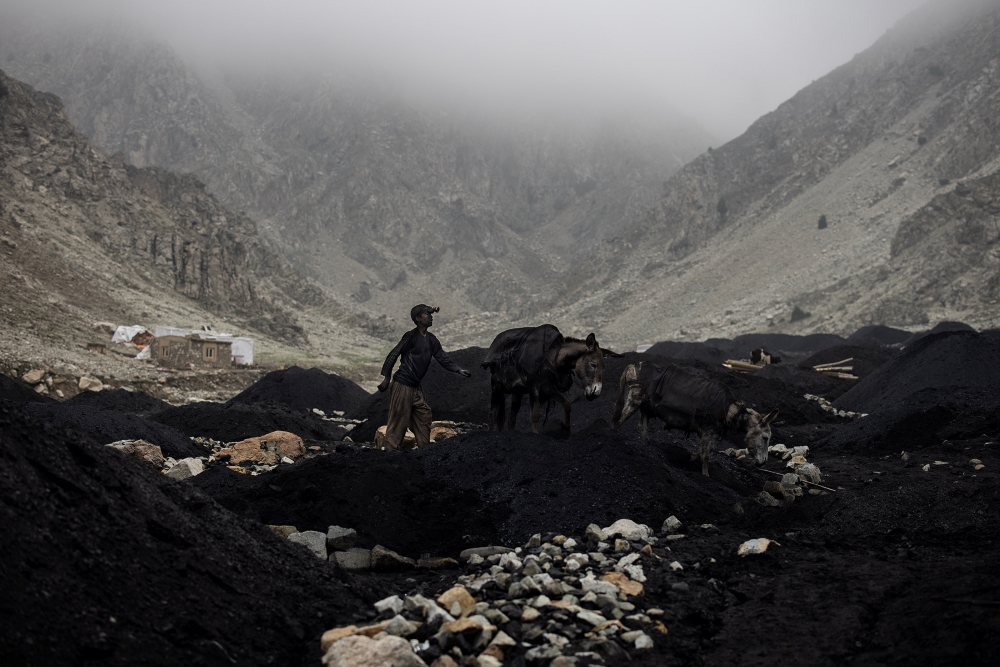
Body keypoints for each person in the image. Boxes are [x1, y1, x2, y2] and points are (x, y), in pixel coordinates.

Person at [377, 304, 471, 450]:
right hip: (402, 384)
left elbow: (442, 358)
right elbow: (393, 355)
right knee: (399, 420)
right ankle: (390, 453)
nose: (431, 317)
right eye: (427, 314)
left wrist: (458, 370)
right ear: (418, 318)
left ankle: (425, 452)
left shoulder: (432, 339)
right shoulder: (411, 337)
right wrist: (386, 378)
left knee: (424, 415)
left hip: (415, 386)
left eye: (430, 314)